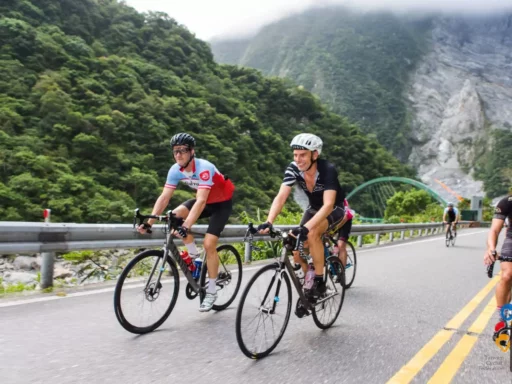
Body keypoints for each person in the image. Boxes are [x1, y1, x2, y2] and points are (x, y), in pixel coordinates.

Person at [137, 133, 235, 312]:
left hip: (220, 204)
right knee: (173, 216)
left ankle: (211, 292)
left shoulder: (204, 167)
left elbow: (201, 201)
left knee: (209, 244)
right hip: (202, 200)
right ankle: (194, 257)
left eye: (182, 151)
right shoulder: (175, 169)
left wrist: (187, 225)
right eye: (175, 151)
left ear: (192, 152)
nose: (178, 155)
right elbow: (165, 197)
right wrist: (149, 222)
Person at [257, 133, 345, 302]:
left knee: (311, 234)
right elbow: (281, 197)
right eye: (295, 155)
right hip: (313, 209)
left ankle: (319, 281)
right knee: (294, 245)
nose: (298, 159)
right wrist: (269, 221)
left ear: (315, 154)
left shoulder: (327, 170)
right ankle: (308, 282)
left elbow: (328, 205)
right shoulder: (293, 168)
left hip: (334, 209)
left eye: (303, 155)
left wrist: (306, 228)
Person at [484, 195, 512, 337]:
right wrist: (491, 249)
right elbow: (494, 230)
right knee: (507, 275)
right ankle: (503, 319)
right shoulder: (507, 202)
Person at [337, 199, 354, 268]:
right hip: (332, 220)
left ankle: (342, 271)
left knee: (341, 245)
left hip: (345, 221)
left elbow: (346, 216)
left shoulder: (340, 199)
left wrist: (335, 229)